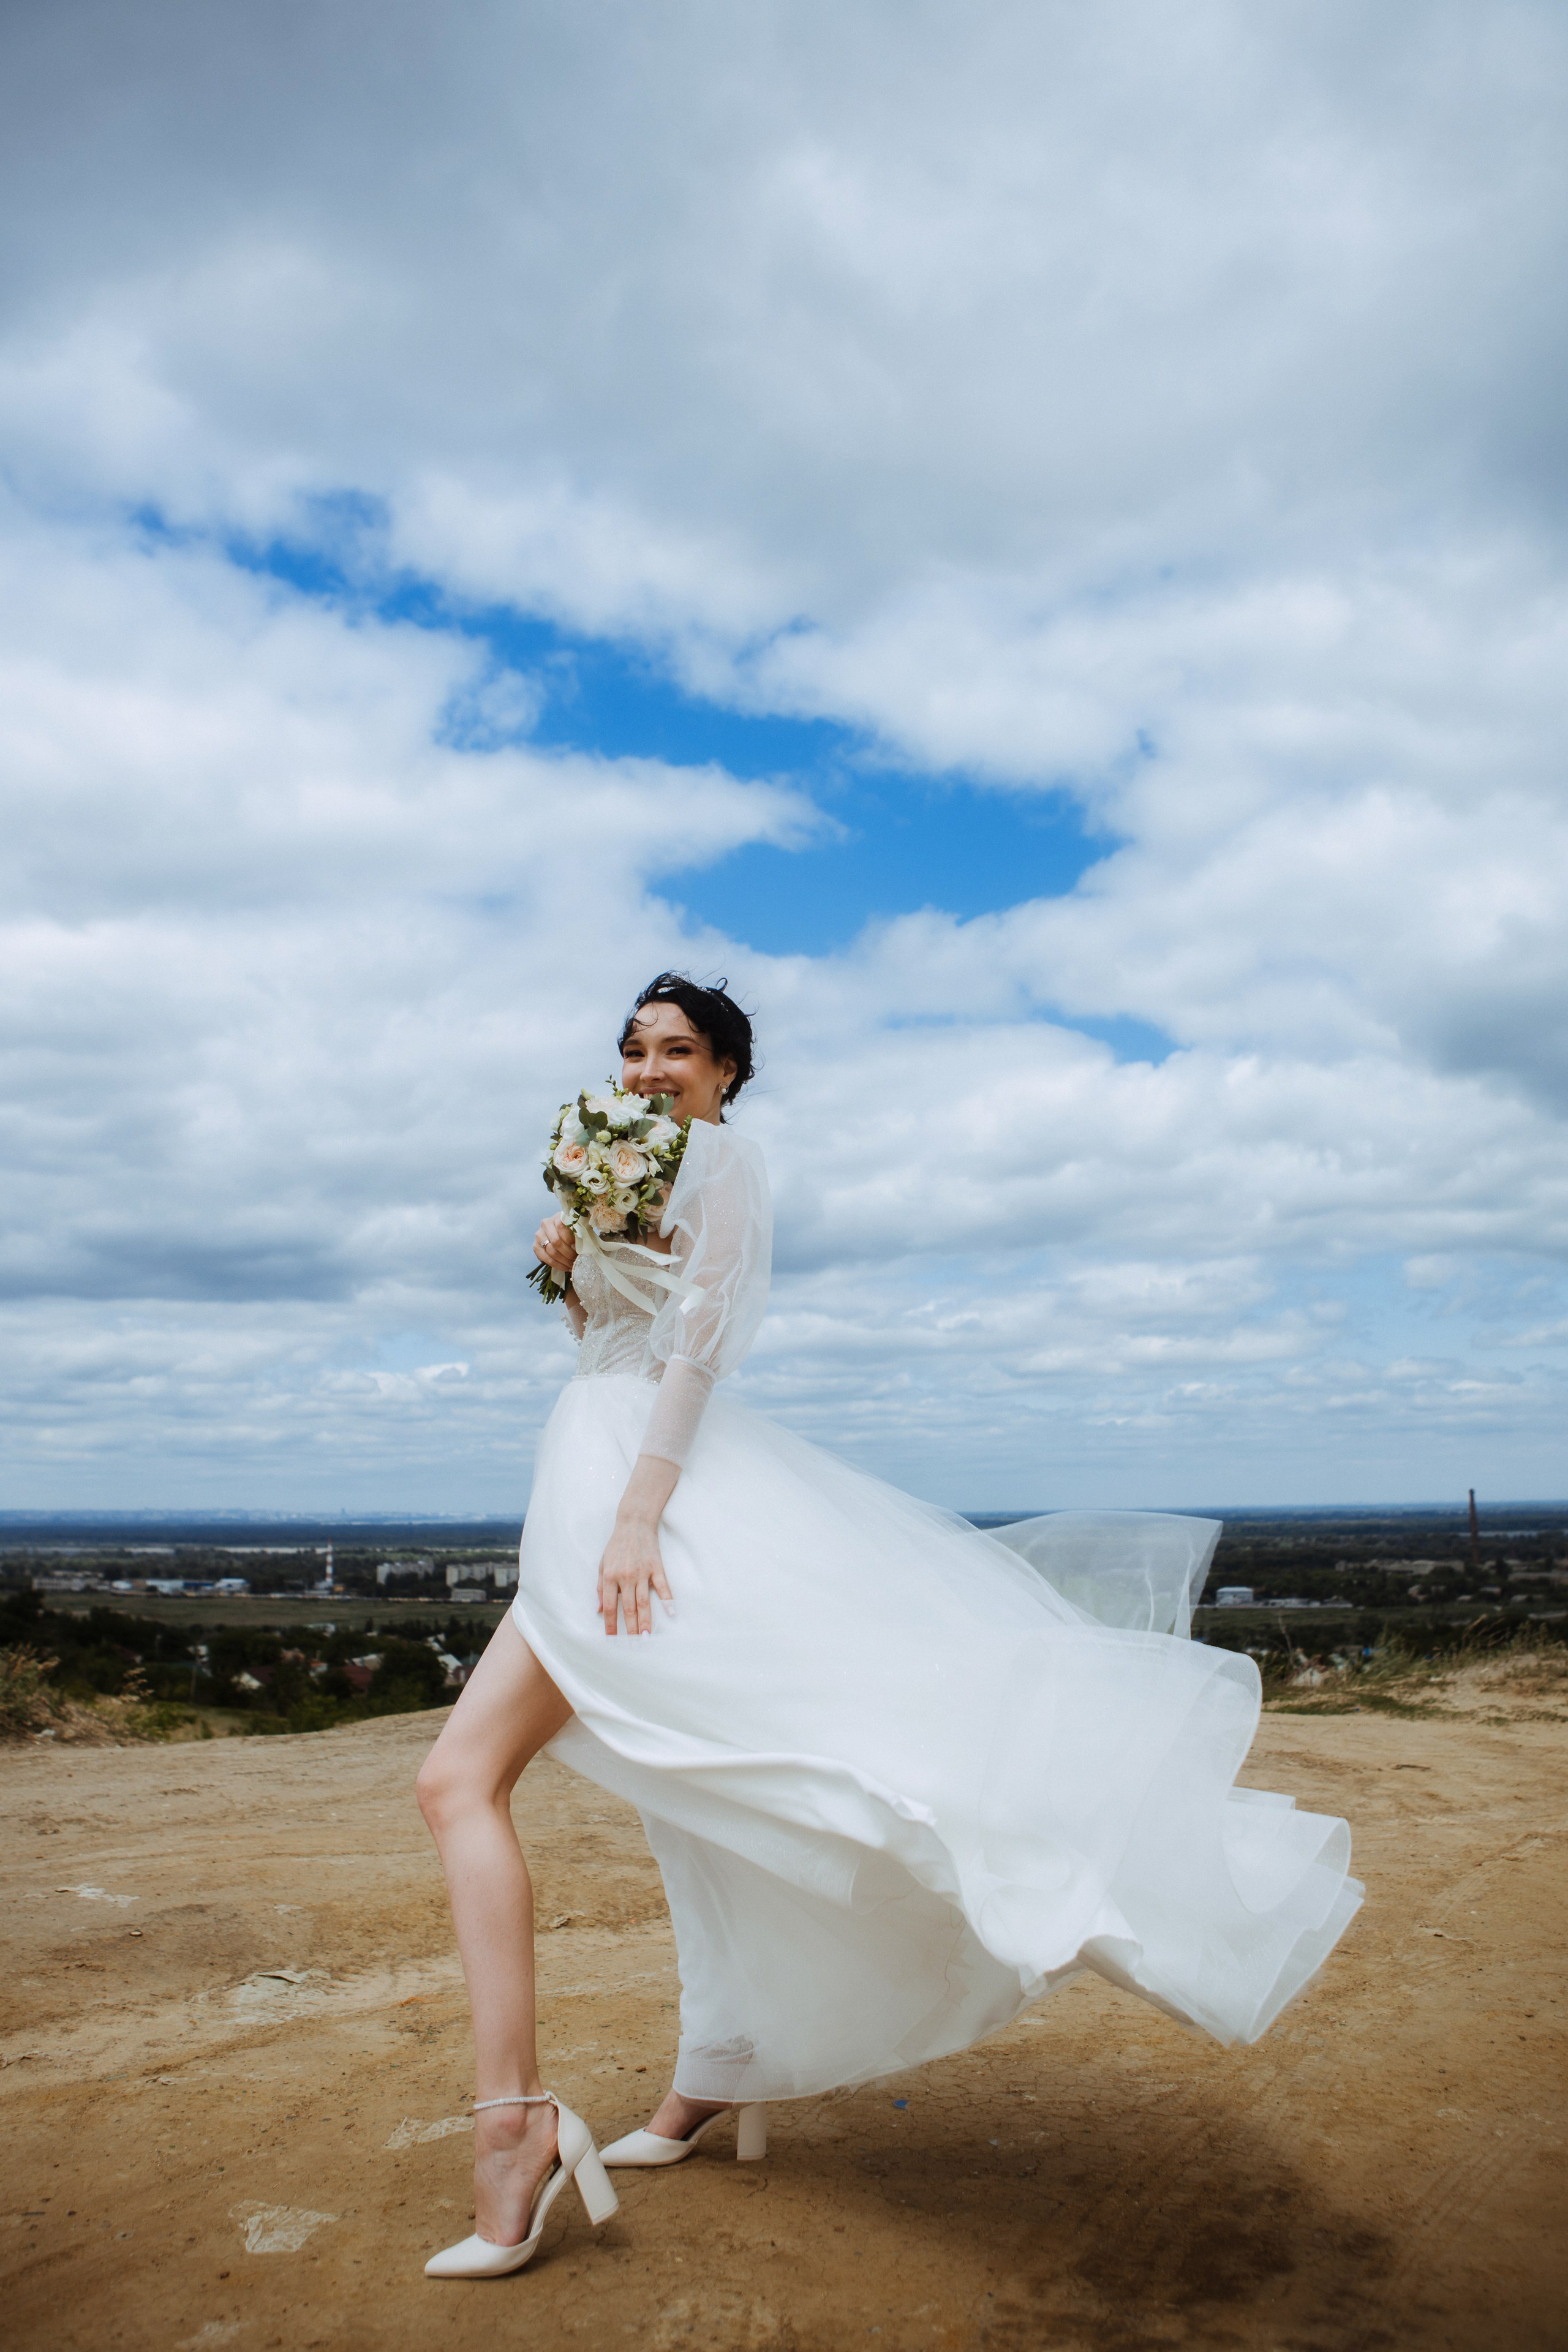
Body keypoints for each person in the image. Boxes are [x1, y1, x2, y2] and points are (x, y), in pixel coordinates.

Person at [415, 972, 1361, 2278]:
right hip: (588, 1476)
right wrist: (572, 1275)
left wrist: (638, 1519)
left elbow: (700, 1348)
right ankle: (714, 2072)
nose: (645, 1072)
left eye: (675, 1051)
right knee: (691, 1795)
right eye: (631, 1052)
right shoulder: (632, 1166)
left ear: (729, 1071)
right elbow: (618, 1339)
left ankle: (514, 2128)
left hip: (640, 1495)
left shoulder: (728, 1165)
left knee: (515, 1778)